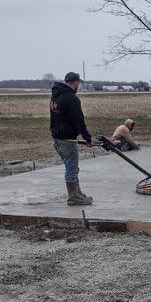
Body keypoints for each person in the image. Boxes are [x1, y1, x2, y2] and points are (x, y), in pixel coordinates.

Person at [50, 72, 93, 206]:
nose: (78, 85)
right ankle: (74, 198)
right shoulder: (71, 99)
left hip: (57, 138)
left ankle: (77, 194)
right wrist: (87, 138)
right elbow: (79, 121)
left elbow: (54, 118)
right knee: (71, 168)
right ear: (75, 82)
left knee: (71, 167)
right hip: (67, 139)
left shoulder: (55, 96)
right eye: (78, 83)